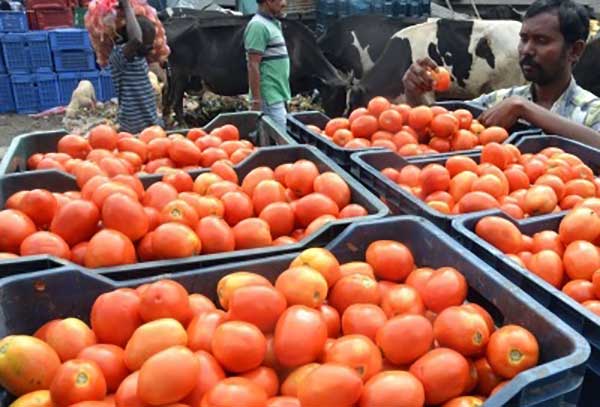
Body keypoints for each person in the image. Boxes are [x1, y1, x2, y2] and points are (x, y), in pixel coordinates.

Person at [402, 0, 600, 146]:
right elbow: (446, 131)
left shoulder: (591, 111)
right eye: (524, 39)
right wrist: (417, 97)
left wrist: (525, 109)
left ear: (575, 50)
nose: (526, 50)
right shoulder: (501, 100)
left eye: (541, 40)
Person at [109, 0, 160, 134]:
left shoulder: (140, 58)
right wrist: (127, 6)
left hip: (151, 125)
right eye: (147, 44)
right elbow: (136, 40)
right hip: (132, 129)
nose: (150, 48)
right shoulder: (120, 57)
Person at [244, 0, 290, 131]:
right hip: (268, 98)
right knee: (279, 143)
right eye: (281, 0)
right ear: (269, 2)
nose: (284, 3)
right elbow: (253, 65)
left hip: (276, 96)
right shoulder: (258, 26)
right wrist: (257, 102)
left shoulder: (272, 24)